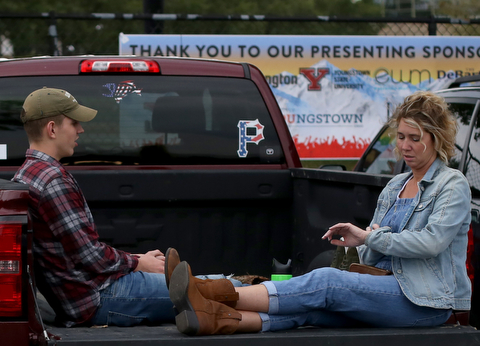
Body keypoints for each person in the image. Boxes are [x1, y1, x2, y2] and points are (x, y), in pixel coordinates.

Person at [167, 90, 472, 335]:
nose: (404, 146)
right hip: (388, 291)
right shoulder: (395, 186)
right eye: (401, 137)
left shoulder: (451, 184)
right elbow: (373, 257)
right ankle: (212, 320)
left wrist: (371, 237)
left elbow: (431, 243)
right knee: (311, 309)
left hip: (424, 302)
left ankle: (207, 292)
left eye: (415, 138)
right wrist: (366, 241)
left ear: (436, 138)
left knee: (325, 281)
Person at [13, 87, 240, 328]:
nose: (81, 129)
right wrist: (140, 263)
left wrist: (136, 259)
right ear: (52, 129)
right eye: (74, 122)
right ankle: (276, 292)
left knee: (208, 286)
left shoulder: (26, 174)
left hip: (86, 295)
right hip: (98, 298)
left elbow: (84, 253)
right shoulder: (53, 180)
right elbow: (90, 256)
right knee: (220, 288)